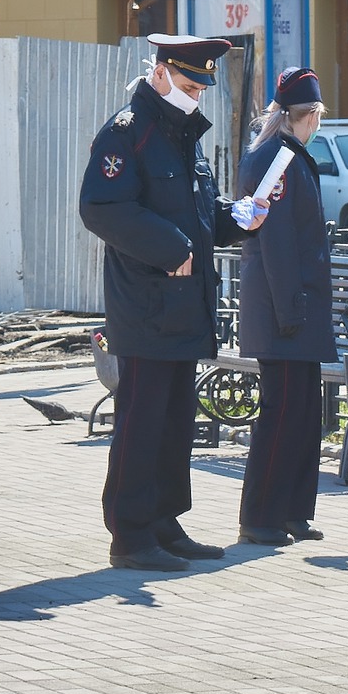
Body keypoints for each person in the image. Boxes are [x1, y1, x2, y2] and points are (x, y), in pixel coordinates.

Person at [79, 33, 268, 572]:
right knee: (142, 423)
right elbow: (101, 208)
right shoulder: (128, 132)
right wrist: (168, 247)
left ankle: (164, 521)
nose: (196, 96)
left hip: (185, 305)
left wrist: (238, 218)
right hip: (145, 305)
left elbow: (199, 215)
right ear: (159, 72)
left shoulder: (180, 134)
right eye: (188, 85)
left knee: (173, 421)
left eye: (202, 88)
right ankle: (131, 534)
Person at [234, 67, 337, 547]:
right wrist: (291, 310)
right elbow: (274, 243)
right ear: (309, 116)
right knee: (281, 413)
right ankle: (261, 516)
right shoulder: (277, 160)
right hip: (286, 309)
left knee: (301, 413)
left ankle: (293, 510)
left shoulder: (283, 154)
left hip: (294, 305)